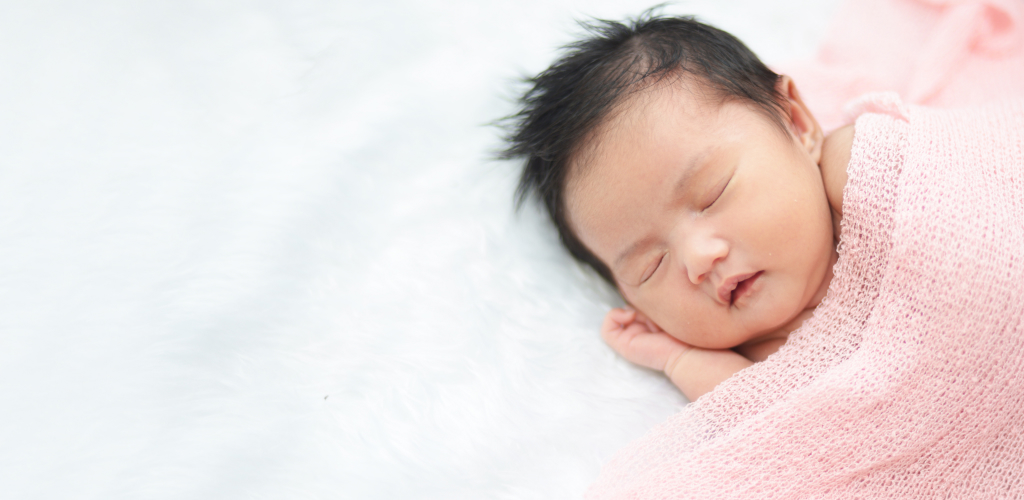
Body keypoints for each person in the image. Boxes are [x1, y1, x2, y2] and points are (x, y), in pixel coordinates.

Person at [501, 12, 855, 401]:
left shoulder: (859, 171)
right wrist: (679, 360)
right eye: (650, 266)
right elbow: (781, 427)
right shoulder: (743, 373)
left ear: (797, 124)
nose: (698, 258)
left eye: (713, 194)